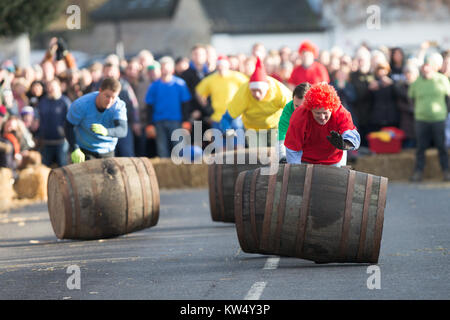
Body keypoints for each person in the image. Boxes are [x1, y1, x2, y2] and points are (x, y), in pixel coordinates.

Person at [220, 57, 292, 147]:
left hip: (275, 127)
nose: (257, 94)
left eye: (259, 90)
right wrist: (228, 132)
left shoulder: (279, 90)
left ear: (267, 88)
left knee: (277, 155)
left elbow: (295, 110)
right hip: (252, 129)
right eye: (253, 90)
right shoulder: (243, 93)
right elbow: (226, 118)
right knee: (256, 158)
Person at [284, 82, 360, 166]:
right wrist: (296, 170)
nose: (322, 117)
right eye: (317, 113)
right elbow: (292, 148)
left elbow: (353, 137)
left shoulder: (341, 113)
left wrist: (346, 144)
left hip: (333, 160)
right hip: (305, 160)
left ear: (331, 108)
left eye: (325, 113)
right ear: (310, 109)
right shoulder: (300, 115)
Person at [65, 77, 128, 163]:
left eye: (113, 97)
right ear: (100, 90)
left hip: (107, 150)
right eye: (107, 96)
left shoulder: (119, 106)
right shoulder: (82, 104)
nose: (110, 101)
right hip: (84, 150)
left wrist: (106, 131)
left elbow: (123, 130)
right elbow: (68, 126)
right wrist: (74, 148)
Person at [408, 54, 450, 182]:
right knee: (421, 147)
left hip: (438, 119)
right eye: (424, 66)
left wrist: (445, 112)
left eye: (428, 66)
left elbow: (448, 98)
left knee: (441, 147)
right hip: (421, 119)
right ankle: (418, 173)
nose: (425, 69)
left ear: (433, 67)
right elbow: (410, 98)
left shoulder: (442, 79)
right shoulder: (416, 82)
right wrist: (416, 110)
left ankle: (446, 172)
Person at [196, 55, 249, 150]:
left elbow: (249, 89)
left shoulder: (237, 77)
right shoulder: (211, 79)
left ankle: (240, 165)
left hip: (234, 116)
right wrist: (207, 108)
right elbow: (199, 92)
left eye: (223, 66)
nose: (221, 68)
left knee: (238, 145)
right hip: (218, 117)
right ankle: (223, 165)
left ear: (228, 66)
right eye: (219, 66)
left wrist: (244, 106)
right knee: (221, 147)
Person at [144, 56, 192, 158]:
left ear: (172, 69)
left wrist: (186, 121)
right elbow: (149, 106)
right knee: (162, 152)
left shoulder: (180, 84)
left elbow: (185, 104)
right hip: (159, 123)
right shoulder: (154, 86)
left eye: (167, 67)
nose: (165, 70)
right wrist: (149, 124)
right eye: (163, 67)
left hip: (177, 122)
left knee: (179, 150)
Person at [36, 78, 71, 167]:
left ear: (59, 87)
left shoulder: (65, 102)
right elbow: (39, 119)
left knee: (63, 166)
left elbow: (70, 120)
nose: (50, 89)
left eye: (53, 87)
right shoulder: (43, 102)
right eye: (49, 87)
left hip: (61, 141)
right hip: (46, 142)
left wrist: (65, 132)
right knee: (44, 167)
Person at [277, 82, 311, 162]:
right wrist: (283, 156)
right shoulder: (288, 109)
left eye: (303, 106)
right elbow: (282, 135)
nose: (298, 110)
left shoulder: (318, 110)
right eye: (296, 106)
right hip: (296, 143)